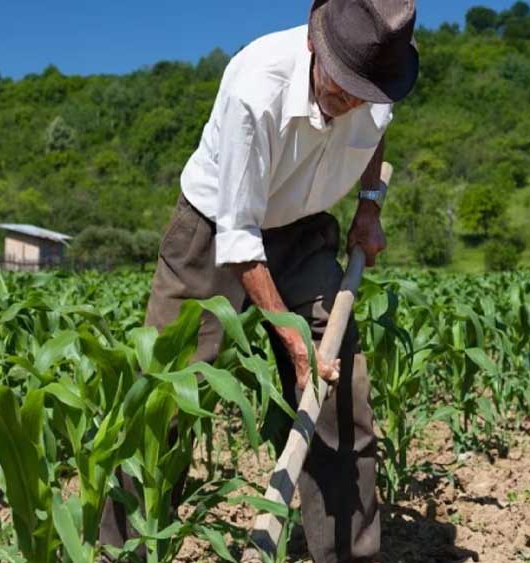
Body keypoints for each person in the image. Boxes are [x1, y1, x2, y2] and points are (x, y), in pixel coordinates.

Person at [100, 1, 419, 561]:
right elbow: (240, 240)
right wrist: (297, 348)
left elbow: (375, 137)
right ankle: (122, 552)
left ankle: (348, 555)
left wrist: (368, 206)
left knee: (341, 397)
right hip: (215, 231)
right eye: (341, 85)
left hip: (304, 229)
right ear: (315, 47)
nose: (349, 101)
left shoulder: (379, 82)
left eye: (362, 93)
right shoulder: (256, 86)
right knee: (165, 398)